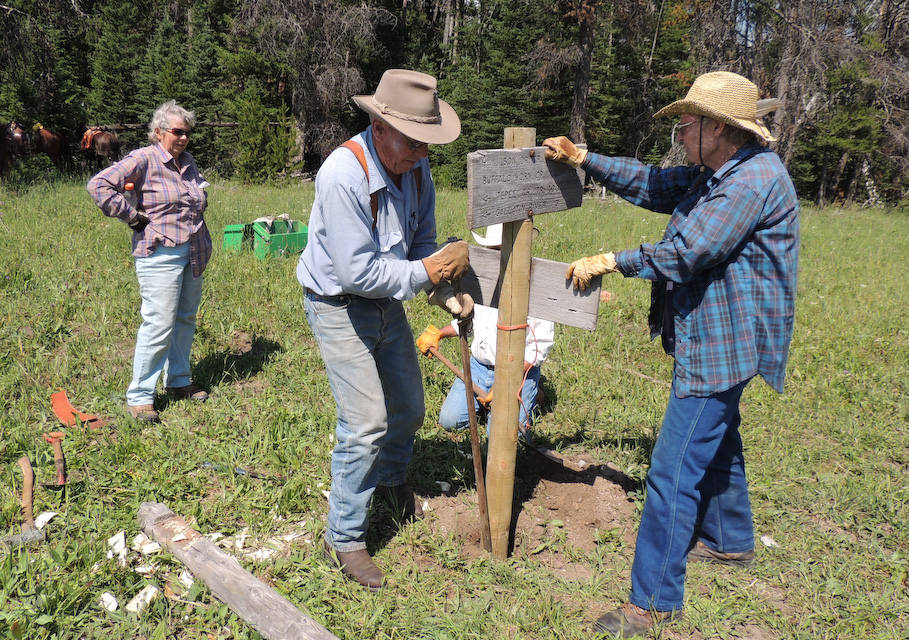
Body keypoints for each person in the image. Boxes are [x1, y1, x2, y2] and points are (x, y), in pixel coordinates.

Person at [544, 71, 799, 637]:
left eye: (687, 123)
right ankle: (730, 541)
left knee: (673, 470)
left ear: (719, 128)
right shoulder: (720, 170)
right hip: (727, 337)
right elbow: (655, 184)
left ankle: (654, 603)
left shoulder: (749, 181)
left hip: (724, 342)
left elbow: (688, 251)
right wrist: (585, 158)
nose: (680, 133)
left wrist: (614, 261)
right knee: (718, 435)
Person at [296, 69, 472, 591]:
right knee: (365, 422)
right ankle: (343, 537)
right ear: (379, 127)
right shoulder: (343, 175)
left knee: (410, 406)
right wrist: (426, 273)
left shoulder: (416, 169)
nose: (422, 152)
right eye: (413, 141)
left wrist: (444, 289)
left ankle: (391, 481)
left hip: (386, 303)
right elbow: (357, 273)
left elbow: (422, 244)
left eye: (426, 142)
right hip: (337, 304)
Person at [88, 101, 212, 424]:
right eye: (178, 131)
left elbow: (197, 197)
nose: (184, 138)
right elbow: (98, 185)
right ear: (159, 132)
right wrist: (133, 218)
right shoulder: (144, 158)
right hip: (160, 253)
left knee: (185, 319)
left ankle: (179, 380)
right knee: (159, 323)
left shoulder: (188, 162)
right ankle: (141, 396)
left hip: (194, 251)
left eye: (188, 132)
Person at [416, 224, 555, 438]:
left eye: (501, 250)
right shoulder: (482, 281)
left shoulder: (536, 287)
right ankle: (487, 405)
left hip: (517, 372)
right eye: (492, 250)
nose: (496, 256)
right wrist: (439, 333)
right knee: (450, 421)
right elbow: (471, 322)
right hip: (479, 368)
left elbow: (539, 348)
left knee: (501, 437)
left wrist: (506, 382)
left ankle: (534, 394)